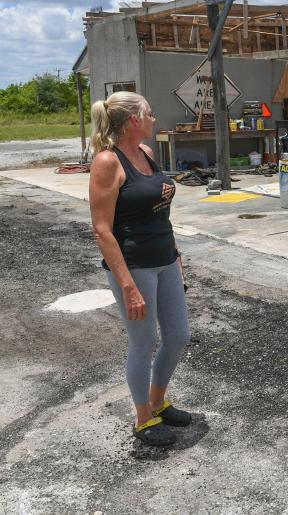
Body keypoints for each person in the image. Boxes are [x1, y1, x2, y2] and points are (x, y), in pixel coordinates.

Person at [88, 92, 191, 447]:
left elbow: (160, 211)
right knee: (143, 342)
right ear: (134, 119)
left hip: (165, 260)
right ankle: (143, 418)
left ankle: (158, 401)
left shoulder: (146, 153)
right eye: (149, 112)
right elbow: (102, 228)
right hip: (135, 268)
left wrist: (176, 254)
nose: (153, 117)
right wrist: (128, 285)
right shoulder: (107, 162)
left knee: (178, 336)